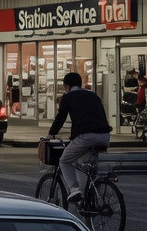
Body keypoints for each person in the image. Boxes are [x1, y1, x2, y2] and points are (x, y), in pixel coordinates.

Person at [47, 71, 112, 203]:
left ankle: (74, 190)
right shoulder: (94, 96)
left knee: (64, 161)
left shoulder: (68, 97)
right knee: (85, 166)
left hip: (87, 136)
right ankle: (88, 198)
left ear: (67, 87)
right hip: (105, 136)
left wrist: (50, 134)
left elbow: (60, 118)